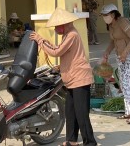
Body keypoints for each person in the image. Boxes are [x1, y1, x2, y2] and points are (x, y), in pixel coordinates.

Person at [30, 8, 97, 146]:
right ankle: (71, 140)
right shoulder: (67, 35)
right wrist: (45, 42)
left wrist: (41, 41)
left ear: (65, 24)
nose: (56, 28)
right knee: (70, 112)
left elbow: (56, 52)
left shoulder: (72, 35)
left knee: (81, 113)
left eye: (57, 26)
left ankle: (90, 142)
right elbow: (61, 50)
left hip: (80, 78)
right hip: (71, 79)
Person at [99, 4, 130, 124]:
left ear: (113, 14)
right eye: (103, 16)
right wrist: (107, 52)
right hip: (120, 56)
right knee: (123, 84)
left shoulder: (122, 22)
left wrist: (125, 53)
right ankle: (127, 112)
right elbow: (113, 41)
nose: (104, 18)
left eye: (106, 15)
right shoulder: (111, 26)